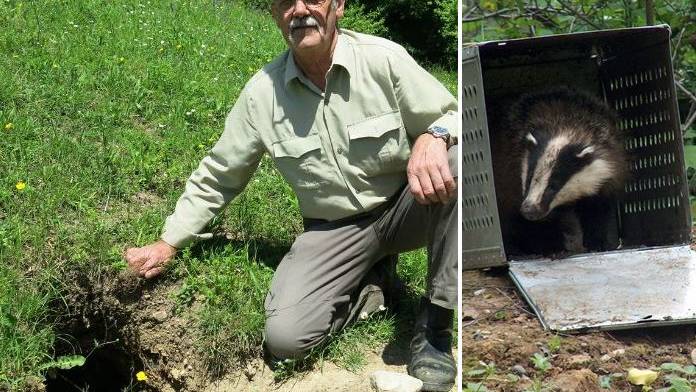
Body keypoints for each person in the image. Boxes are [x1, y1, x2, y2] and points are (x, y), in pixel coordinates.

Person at [124, 0, 458, 390]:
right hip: (334, 229)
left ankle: (435, 326)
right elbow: (220, 173)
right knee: (287, 340)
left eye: (312, 0)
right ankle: (371, 285)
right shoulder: (262, 94)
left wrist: (434, 137)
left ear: (339, 7)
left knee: (457, 160)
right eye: (285, 3)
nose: (299, 10)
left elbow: (454, 115)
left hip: (408, 207)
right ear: (273, 14)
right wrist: (169, 242)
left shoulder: (384, 60)